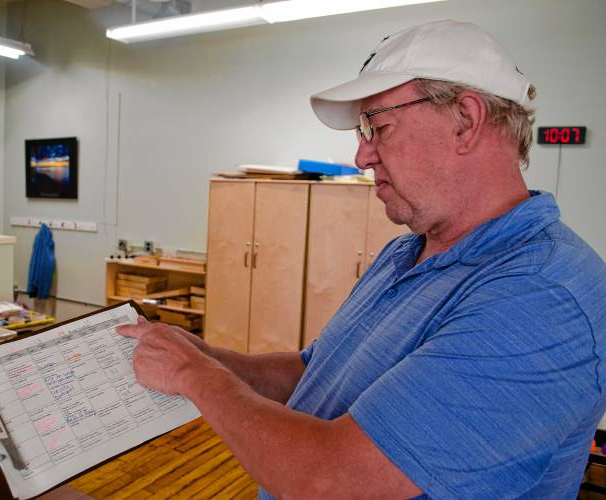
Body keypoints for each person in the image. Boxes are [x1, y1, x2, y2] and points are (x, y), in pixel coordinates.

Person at [117, 19, 606, 499]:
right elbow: (314, 375)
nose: (362, 156)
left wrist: (193, 376)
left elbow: (332, 481)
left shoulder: (542, 294)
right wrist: (205, 355)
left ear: (467, 120)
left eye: (377, 127)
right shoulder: (405, 252)